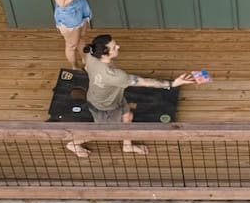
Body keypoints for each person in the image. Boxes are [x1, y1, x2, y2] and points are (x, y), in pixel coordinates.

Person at [67, 34, 198, 158]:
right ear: (104, 54)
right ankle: (73, 143)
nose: (118, 47)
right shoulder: (116, 76)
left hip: (111, 98)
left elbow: (87, 67)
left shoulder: (91, 56)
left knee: (127, 116)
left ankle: (127, 146)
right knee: (100, 132)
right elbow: (145, 82)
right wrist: (173, 83)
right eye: (114, 47)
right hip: (104, 107)